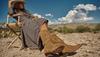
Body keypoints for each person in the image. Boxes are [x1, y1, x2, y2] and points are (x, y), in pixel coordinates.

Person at [8, 0, 82, 56]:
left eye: (22, 3)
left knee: (43, 20)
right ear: (15, 5)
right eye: (19, 3)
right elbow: (10, 12)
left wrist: (34, 17)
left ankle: (59, 47)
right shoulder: (14, 11)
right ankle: (59, 47)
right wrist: (11, 2)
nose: (22, 4)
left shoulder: (26, 11)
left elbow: (32, 17)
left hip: (32, 22)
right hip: (25, 24)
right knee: (40, 26)